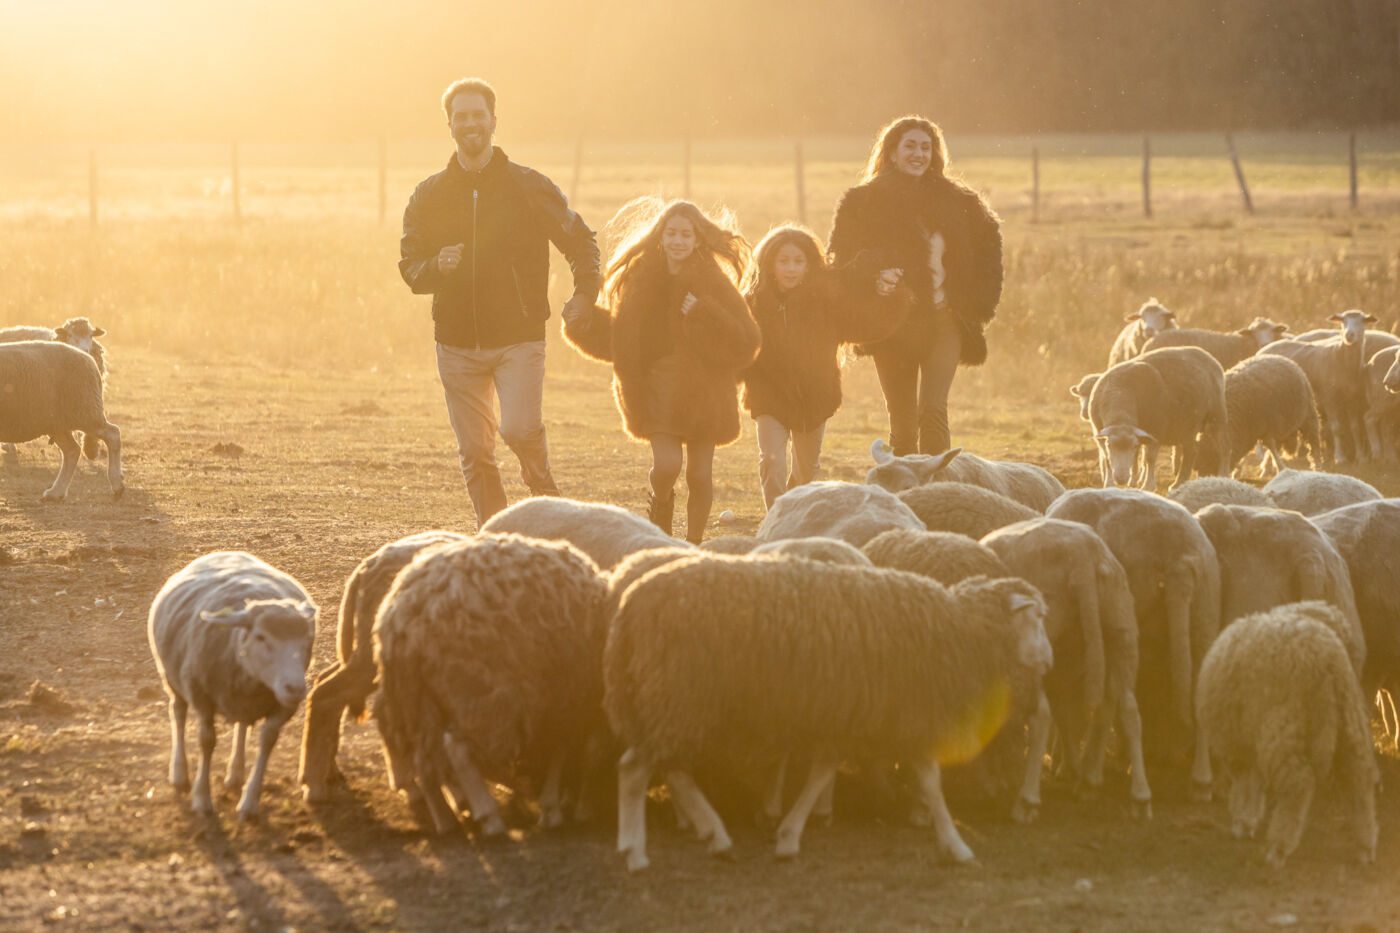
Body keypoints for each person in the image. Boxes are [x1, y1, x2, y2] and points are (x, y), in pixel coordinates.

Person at [398, 77, 601, 526]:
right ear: (449, 125)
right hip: (455, 344)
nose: (471, 123)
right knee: (475, 452)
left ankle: (543, 491)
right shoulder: (428, 195)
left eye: (478, 115)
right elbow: (409, 265)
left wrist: (585, 294)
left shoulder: (528, 186)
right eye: (461, 116)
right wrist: (436, 267)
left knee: (519, 430)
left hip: (519, 339)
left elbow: (581, 240)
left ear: (493, 121)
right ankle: (497, 536)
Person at [562, 199, 759, 543]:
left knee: (699, 475)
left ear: (698, 239)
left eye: (686, 234)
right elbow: (619, 336)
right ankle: (661, 524)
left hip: (705, 392)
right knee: (666, 467)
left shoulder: (713, 281)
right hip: (657, 390)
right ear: (660, 236)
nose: (678, 240)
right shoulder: (638, 281)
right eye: (671, 233)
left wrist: (703, 312)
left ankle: (694, 543)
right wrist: (584, 322)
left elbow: (746, 341)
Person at [827, 115, 1003, 456]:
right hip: (892, 324)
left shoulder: (960, 202)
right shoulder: (862, 203)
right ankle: (905, 500)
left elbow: (990, 243)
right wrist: (875, 275)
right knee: (903, 424)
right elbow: (841, 262)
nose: (919, 154)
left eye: (927, 147)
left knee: (933, 412)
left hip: (945, 321)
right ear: (892, 153)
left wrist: (979, 302)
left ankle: (937, 495)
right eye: (910, 146)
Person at [740, 225, 910, 510]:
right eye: (783, 261)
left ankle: (793, 507)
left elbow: (867, 324)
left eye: (798, 261)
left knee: (806, 472)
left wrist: (894, 296)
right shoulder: (752, 303)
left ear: (810, 265)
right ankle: (776, 519)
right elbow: (734, 340)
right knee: (771, 460)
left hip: (814, 399)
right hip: (767, 396)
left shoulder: (827, 302)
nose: (791, 269)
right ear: (769, 264)